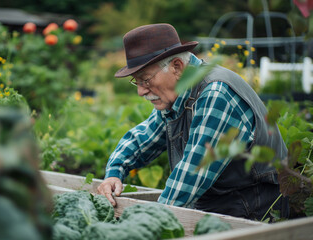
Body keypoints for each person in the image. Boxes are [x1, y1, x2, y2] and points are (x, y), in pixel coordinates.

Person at [97, 23, 289, 220]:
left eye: (145, 80)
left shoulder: (216, 93)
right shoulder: (180, 94)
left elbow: (192, 174)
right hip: (219, 206)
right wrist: (114, 172)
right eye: (136, 82)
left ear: (177, 67)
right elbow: (142, 138)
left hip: (253, 211)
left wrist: (147, 223)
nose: (140, 91)